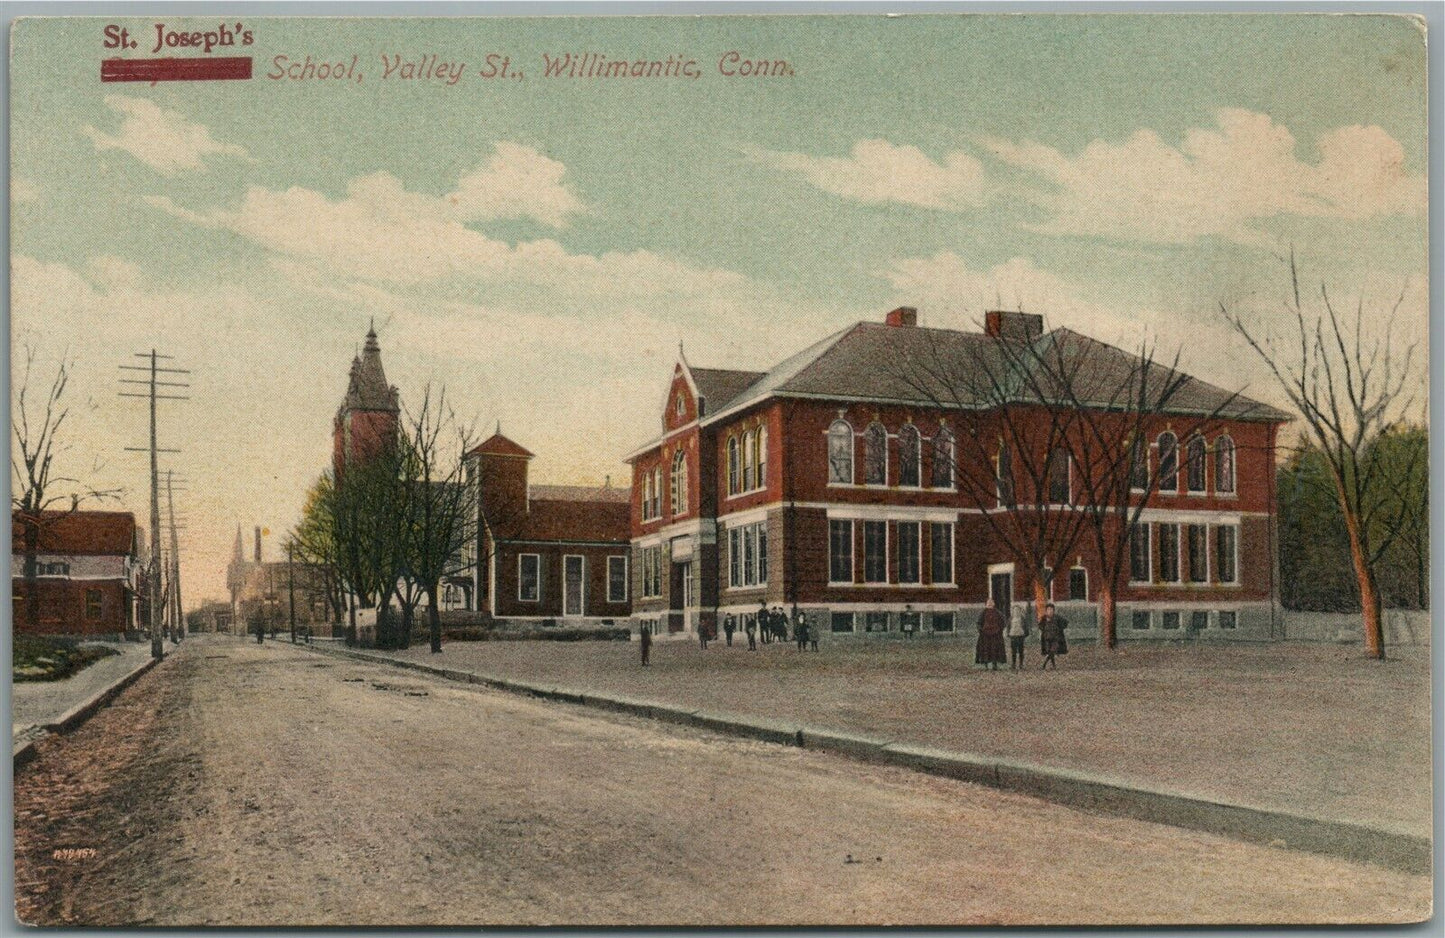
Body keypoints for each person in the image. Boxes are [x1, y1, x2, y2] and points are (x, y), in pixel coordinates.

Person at [975, 599, 1006, 670]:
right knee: (986, 650)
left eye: (991, 602)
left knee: (995, 649)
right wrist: (981, 630)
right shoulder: (983, 613)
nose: (990, 604)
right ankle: (986, 665)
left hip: (995, 635)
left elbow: (1003, 622)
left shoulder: (997, 613)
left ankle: (994, 665)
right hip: (985, 635)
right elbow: (978, 622)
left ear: (994, 604)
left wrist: (999, 630)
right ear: (986, 604)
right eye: (988, 603)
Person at [1039, 603, 1069, 670]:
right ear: (1046, 611)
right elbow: (1040, 625)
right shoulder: (1044, 618)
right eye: (1048, 609)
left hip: (1055, 638)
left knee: (1052, 651)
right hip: (1047, 638)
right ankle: (1054, 666)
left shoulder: (1057, 617)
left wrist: (1060, 629)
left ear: (1053, 610)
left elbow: (1065, 622)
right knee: (1050, 652)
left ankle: (1044, 664)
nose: (1050, 611)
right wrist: (1044, 630)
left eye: (1051, 609)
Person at [1006, 603, 1030, 671]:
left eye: (1018, 610)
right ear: (1012, 611)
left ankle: (1021, 664)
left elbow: (1025, 626)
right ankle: (1013, 664)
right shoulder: (1010, 619)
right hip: (1013, 636)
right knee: (1013, 651)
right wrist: (1008, 633)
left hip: (1020, 636)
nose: (1016, 612)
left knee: (1021, 651)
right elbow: (1008, 627)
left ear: (1020, 611)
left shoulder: (1022, 619)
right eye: (1015, 610)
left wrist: (1025, 634)